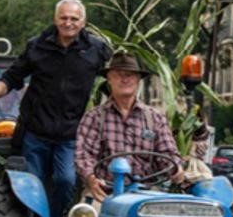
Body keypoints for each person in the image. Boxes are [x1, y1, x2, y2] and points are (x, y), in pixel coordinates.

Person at [0, 0, 111, 217]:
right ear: (55, 19)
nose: (68, 23)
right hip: (36, 131)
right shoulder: (37, 46)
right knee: (32, 187)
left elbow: (112, 78)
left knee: (66, 181)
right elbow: (12, 76)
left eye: (74, 19)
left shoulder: (96, 49)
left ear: (83, 22)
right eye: (63, 18)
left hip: (70, 135)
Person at [76, 52, 185, 203]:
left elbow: (168, 153)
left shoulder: (155, 118)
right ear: (109, 79)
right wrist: (91, 179)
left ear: (138, 79)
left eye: (130, 75)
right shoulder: (94, 117)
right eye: (119, 74)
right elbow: (83, 156)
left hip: (145, 194)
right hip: (104, 193)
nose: (124, 79)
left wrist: (175, 169)